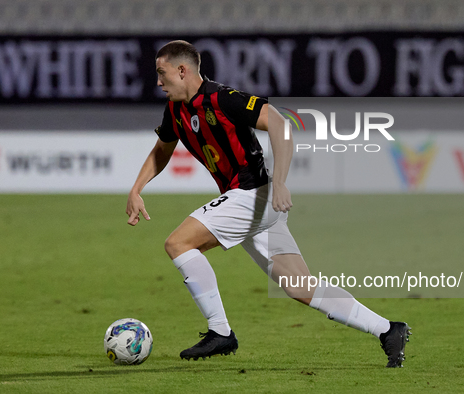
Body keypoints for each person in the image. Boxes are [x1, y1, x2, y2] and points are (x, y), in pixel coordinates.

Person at [126, 40, 411, 368]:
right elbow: (162, 149)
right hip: (251, 204)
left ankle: (220, 332)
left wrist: (279, 181)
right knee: (299, 286)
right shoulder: (175, 110)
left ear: (182, 70)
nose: (158, 82)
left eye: (162, 74)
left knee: (178, 243)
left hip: (252, 195)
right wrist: (137, 188)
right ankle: (389, 330)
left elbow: (279, 124)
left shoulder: (222, 99)